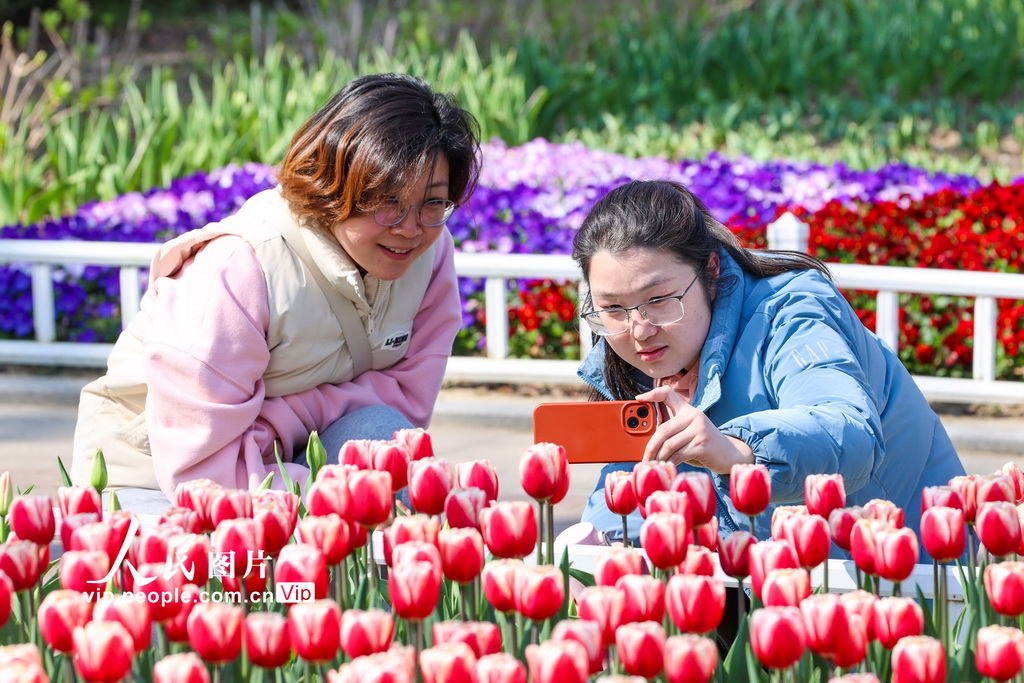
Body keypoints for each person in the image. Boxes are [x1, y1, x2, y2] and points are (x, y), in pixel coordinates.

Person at [71, 73, 481, 512]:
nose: (410, 228)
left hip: (283, 450)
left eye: (433, 202)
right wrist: (323, 494)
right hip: (159, 472)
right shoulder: (238, 269)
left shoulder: (430, 255)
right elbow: (203, 469)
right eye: (387, 201)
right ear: (333, 183)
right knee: (226, 572)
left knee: (391, 446)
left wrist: (276, 424)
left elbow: (407, 401)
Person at [574, 180, 966, 544]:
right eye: (612, 307)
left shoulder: (791, 315)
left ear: (710, 271)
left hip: (908, 570)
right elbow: (636, 485)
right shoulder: (643, 352)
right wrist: (597, 552)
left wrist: (739, 448)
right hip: (774, 579)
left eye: (658, 299)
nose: (639, 329)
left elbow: (850, 431)